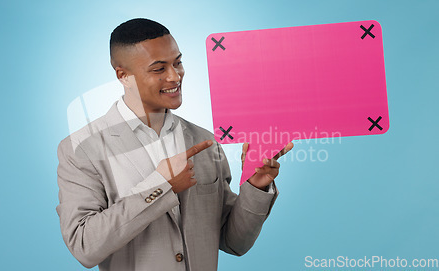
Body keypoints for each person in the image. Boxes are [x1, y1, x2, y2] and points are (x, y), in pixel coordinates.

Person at [56, 18, 293, 271]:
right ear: (123, 76)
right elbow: (83, 247)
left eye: (178, 62)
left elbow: (234, 242)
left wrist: (255, 187)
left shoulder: (206, 141)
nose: (175, 75)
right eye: (159, 69)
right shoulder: (81, 148)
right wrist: (162, 185)